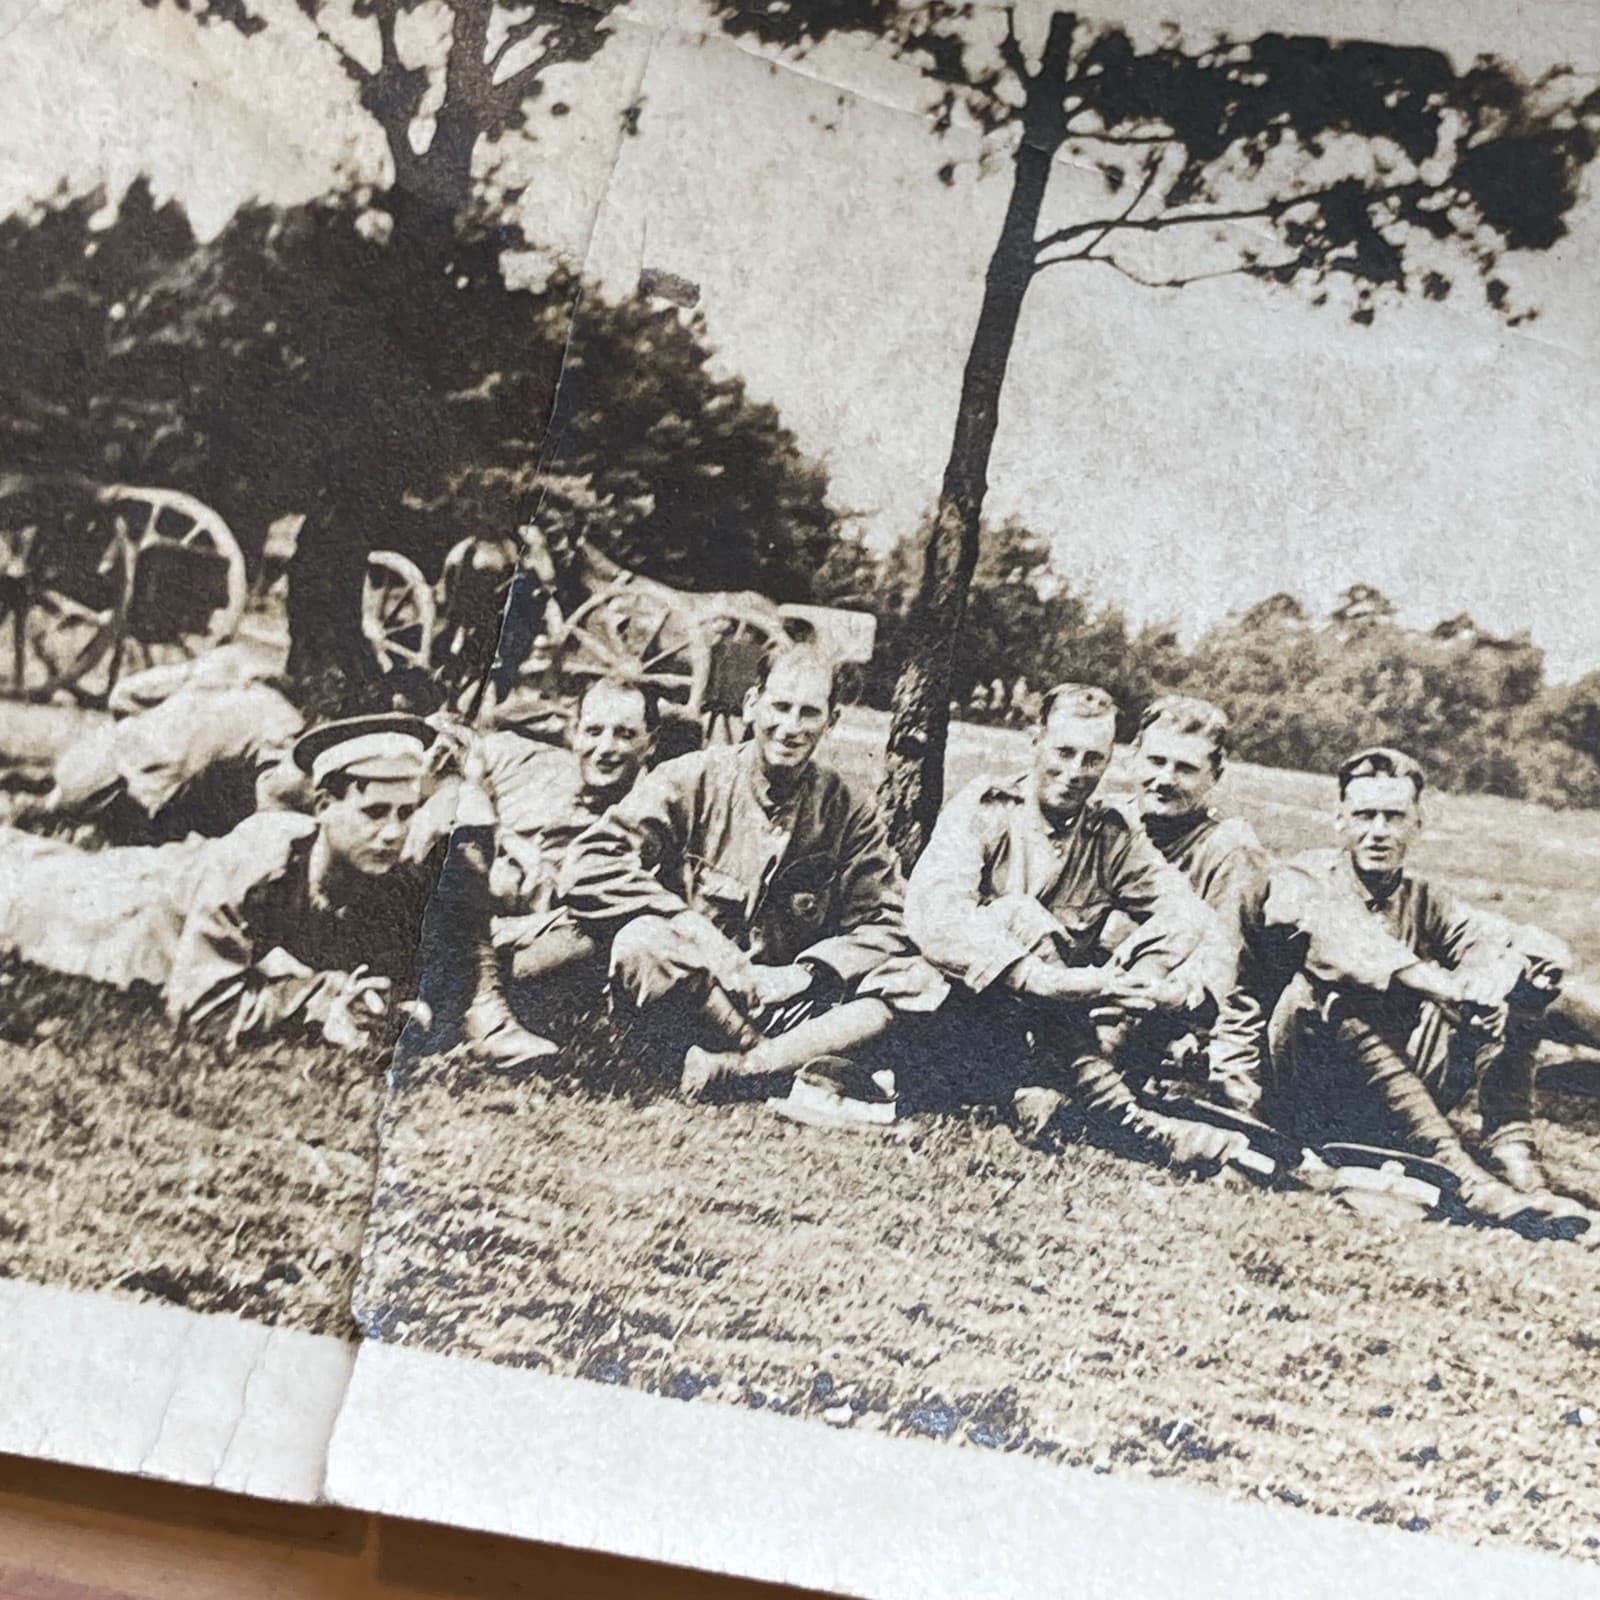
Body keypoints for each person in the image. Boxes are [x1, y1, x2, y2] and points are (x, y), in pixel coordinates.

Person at [560, 644, 945, 1115]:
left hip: (786, 1000)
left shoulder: (848, 808)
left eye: (809, 713)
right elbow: (590, 861)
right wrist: (690, 925)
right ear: (751, 705)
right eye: (780, 706)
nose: (790, 727)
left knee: (918, 979)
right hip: (695, 992)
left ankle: (748, 1069)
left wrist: (805, 973)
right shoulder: (691, 778)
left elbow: (887, 922)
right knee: (641, 942)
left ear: (832, 721)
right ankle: (777, 1066)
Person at [903, 682, 1247, 1168]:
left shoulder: (1111, 833)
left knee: (1179, 926)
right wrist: (1038, 976)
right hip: (962, 1014)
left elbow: (1190, 916)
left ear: (1109, 762)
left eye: (1092, 759)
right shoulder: (985, 808)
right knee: (1017, 915)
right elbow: (935, 915)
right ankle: (1125, 1117)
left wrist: (1179, 990)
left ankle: (1077, 1101)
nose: (1075, 772)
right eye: (1064, 751)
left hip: (1053, 1036)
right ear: (1035, 740)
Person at [1265, 746, 1591, 1224]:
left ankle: (1517, 1158)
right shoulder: (1304, 875)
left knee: (1531, 985)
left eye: (1394, 817)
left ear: (1417, 824)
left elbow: (1542, 947)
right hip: (1306, 1092)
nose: (1378, 831)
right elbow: (1347, 947)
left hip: (1393, 1097)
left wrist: (1490, 980)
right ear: (1339, 820)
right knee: (1329, 991)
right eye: (1364, 815)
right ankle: (1463, 1171)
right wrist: (1445, 988)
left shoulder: (1427, 900)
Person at [164, 715, 440, 1051]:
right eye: (375, 812)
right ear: (323, 806)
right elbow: (202, 1012)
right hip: (151, 895)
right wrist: (321, 999)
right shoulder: (255, 865)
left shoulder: (393, 877)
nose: (394, 832)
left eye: (406, 812)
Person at [438, 676, 659, 1063]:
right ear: (573, 732)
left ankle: (464, 999)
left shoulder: (652, 816)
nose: (605, 748)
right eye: (593, 731)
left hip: (531, 938)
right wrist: (503, 836)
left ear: (649, 743)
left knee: (590, 942)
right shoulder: (527, 761)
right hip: (459, 902)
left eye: (624, 735)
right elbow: (457, 752)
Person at [1128, 697, 1283, 1113]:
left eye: (1185, 769)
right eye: (1156, 761)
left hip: (1172, 1018)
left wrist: (1235, 1093)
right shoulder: (1110, 824)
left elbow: (1231, 974)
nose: (1164, 779)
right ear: (1133, 757)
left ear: (1215, 775)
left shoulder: (1229, 851)